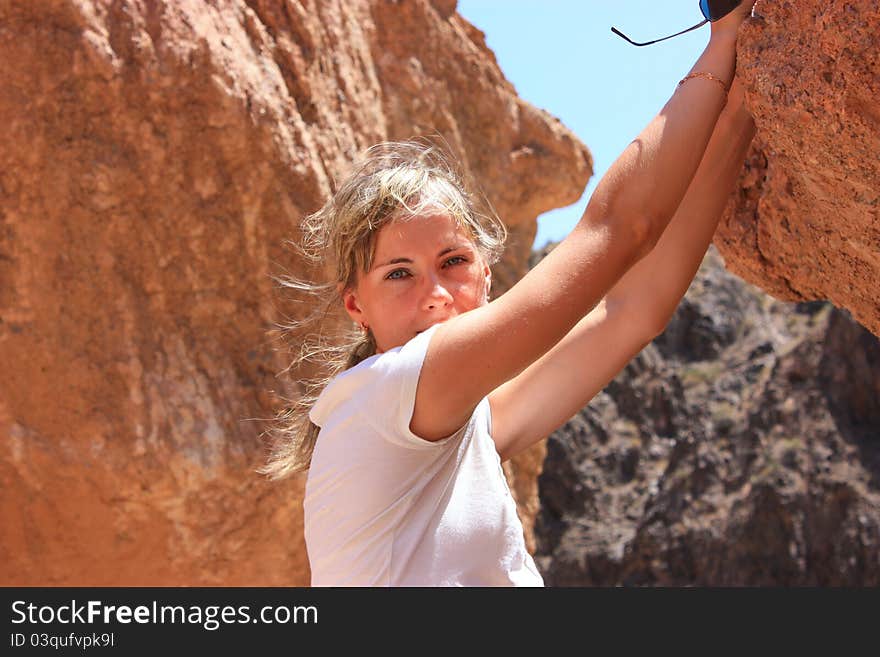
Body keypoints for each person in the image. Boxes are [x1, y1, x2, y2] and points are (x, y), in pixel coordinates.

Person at [260, 2, 758, 586]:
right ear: (355, 306)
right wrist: (725, 35)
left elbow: (631, 312)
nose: (437, 294)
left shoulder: (467, 424)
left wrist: (744, 104)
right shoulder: (382, 394)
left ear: (488, 274)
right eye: (399, 273)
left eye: (454, 262)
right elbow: (625, 229)